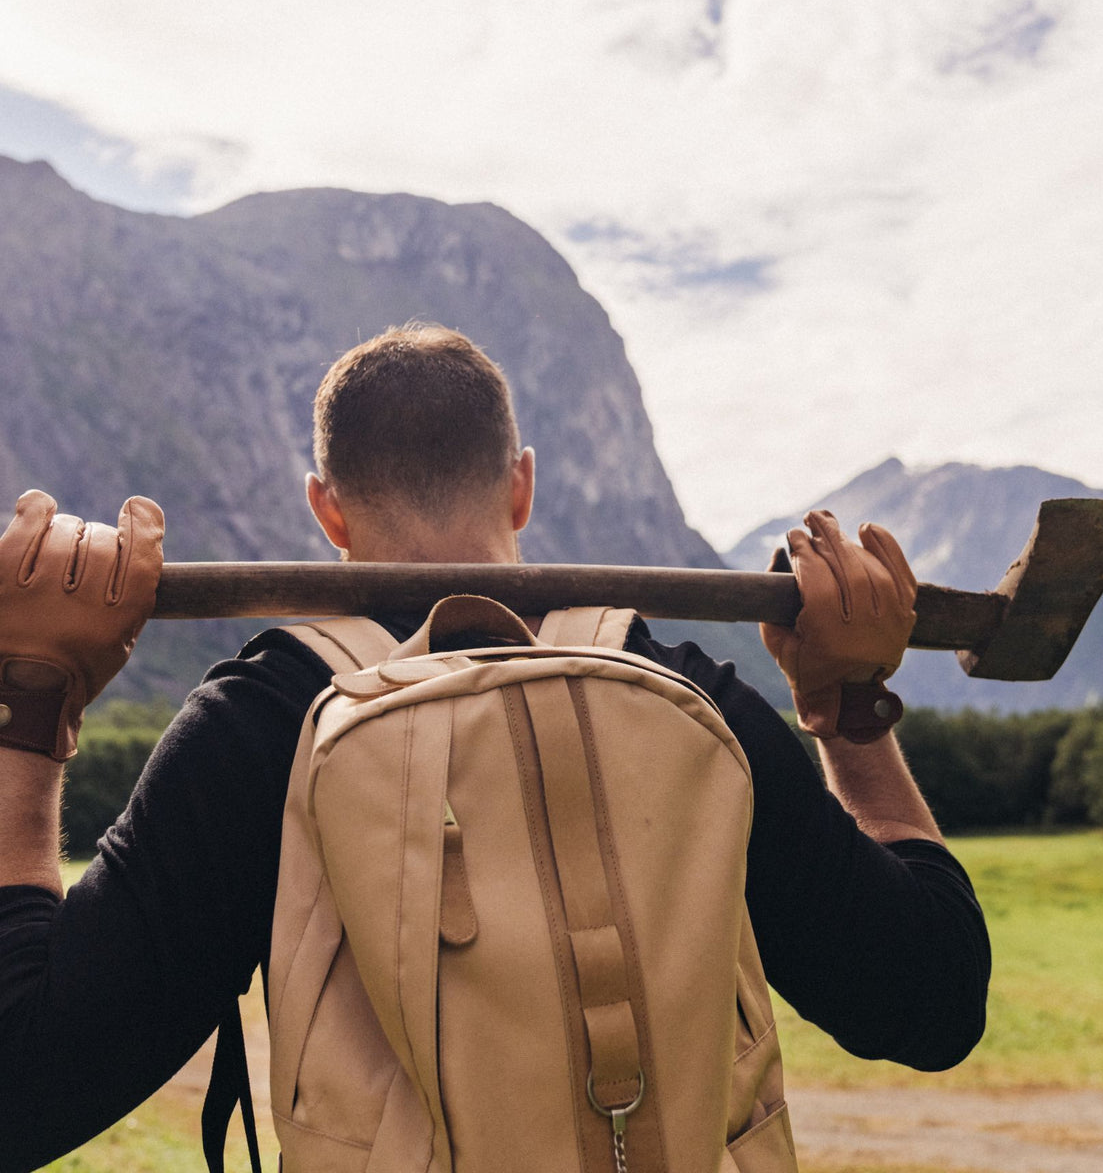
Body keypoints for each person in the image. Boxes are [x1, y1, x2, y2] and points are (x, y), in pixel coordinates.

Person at [0, 323, 990, 1171]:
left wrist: (33, 703)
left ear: (327, 508)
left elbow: (23, 1082)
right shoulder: (690, 696)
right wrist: (845, 701)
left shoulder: (263, 722)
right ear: (520, 487)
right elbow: (933, 997)